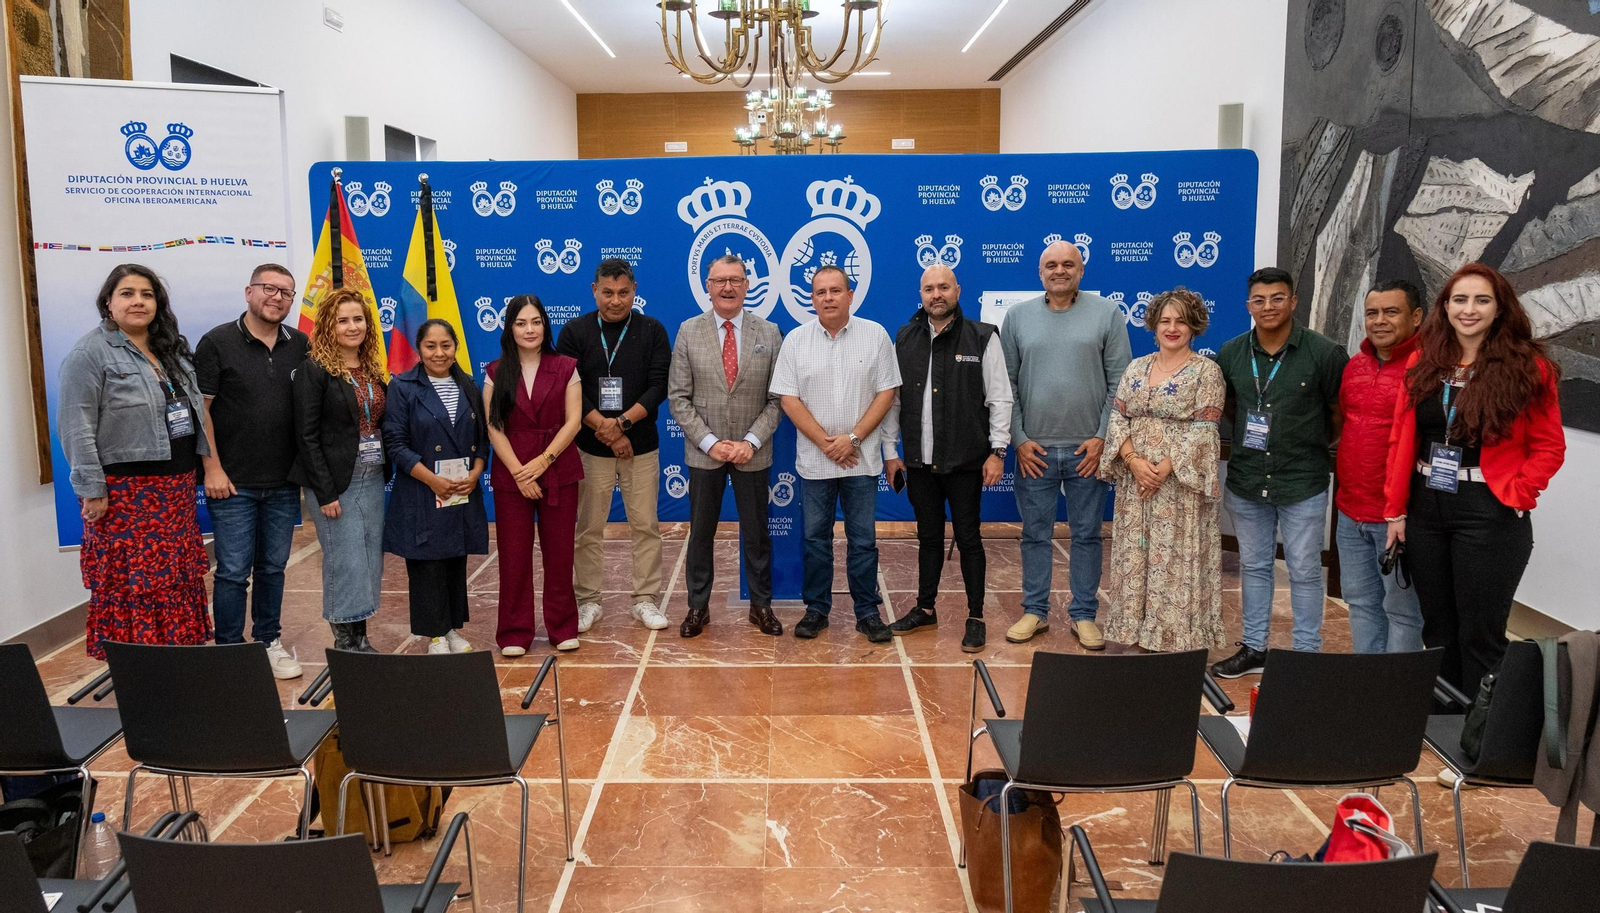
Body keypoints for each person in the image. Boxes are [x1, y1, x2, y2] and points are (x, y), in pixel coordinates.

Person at [1384, 262, 1565, 695]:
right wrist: (1396, 510)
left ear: (1500, 309)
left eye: (1482, 300)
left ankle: (1482, 733)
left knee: (1480, 633)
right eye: (1459, 299)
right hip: (1427, 508)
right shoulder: (1423, 363)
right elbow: (1399, 441)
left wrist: (1521, 492)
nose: (1469, 309)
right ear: (1444, 308)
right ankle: (1446, 722)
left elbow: (1549, 446)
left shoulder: (1528, 368)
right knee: (1439, 627)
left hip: (1489, 511)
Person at [58, 263, 212, 660]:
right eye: (127, 293)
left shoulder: (169, 349)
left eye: (147, 294)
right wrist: (92, 490)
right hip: (125, 495)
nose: (138, 301)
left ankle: (177, 659)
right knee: (135, 584)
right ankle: (140, 668)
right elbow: (76, 429)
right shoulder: (89, 353)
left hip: (175, 490)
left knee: (175, 579)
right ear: (108, 302)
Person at [1210, 267, 1347, 678]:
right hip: (1249, 478)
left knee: (1304, 570)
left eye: (1277, 298)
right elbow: (1230, 409)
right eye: (1259, 300)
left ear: (1293, 302)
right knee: (1254, 567)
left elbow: (1338, 414)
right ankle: (1254, 648)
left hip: (1301, 479)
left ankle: (1306, 654)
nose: (1268, 307)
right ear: (1248, 305)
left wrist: (1308, 444)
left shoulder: (1324, 353)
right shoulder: (1231, 353)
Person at [999, 238, 1131, 648]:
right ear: (1040, 273)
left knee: (1088, 534)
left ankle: (1084, 614)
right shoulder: (1017, 318)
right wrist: (1018, 439)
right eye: (1051, 265)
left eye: (1068, 264)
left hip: (1087, 451)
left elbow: (1120, 386)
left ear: (1081, 270)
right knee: (1035, 534)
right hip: (1033, 451)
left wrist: (1101, 439)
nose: (1060, 270)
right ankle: (1035, 611)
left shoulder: (1107, 314)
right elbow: (1007, 387)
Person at [882, 264, 1011, 653]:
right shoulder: (904, 338)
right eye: (928, 288)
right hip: (919, 462)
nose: (936, 294)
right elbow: (893, 401)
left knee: (970, 539)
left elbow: (1000, 397)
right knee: (928, 538)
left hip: (967, 461)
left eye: (943, 287)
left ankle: (975, 616)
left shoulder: (982, 337)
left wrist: (998, 451)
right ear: (920, 294)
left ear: (957, 289)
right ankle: (925, 608)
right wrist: (891, 453)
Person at [771, 264, 902, 643]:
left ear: (850, 294)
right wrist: (827, 443)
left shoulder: (875, 335)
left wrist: (854, 439)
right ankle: (817, 609)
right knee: (815, 538)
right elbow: (788, 399)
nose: (827, 298)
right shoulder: (796, 340)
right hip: (816, 461)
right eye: (820, 292)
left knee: (863, 539)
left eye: (835, 290)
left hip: (860, 459)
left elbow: (887, 393)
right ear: (811, 298)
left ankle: (867, 611)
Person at [193, 264, 309, 680]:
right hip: (232, 483)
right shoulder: (217, 343)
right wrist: (212, 468)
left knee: (274, 568)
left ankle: (268, 640)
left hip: (282, 482)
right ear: (248, 292)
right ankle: (229, 651)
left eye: (286, 292)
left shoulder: (301, 344)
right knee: (232, 571)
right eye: (268, 288)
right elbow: (201, 411)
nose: (277, 297)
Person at [1096, 288, 1226, 653]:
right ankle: (1137, 631)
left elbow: (1205, 429)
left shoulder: (1207, 371)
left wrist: (1164, 468)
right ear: (1153, 325)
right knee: (1136, 555)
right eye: (1166, 320)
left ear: (1194, 326)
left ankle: (1173, 636)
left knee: (1173, 559)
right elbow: (1118, 417)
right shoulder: (1137, 367)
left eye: (1181, 321)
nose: (1173, 328)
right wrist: (1136, 463)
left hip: (1178, 488)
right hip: (1136, 483)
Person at [667, 254, 785, 638]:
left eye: (736, 280)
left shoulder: (769, 332)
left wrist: (750, 441)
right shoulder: (688, 330)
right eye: (720, 281)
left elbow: (778, 399)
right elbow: (679, 398)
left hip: (754, 451)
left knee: (757, 533)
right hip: (705, 453)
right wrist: (710, 442)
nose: (728, 288)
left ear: (748, 284)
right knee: (701, 533)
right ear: (708, 285)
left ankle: (761, 606)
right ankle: (697, 607)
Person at [556, 258, 673, 632]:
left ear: (634, 290)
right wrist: (606, 430)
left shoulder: (652, 330)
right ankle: (588, 601)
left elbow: (659, 387)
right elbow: (569, 388)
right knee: (588, 527)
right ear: (594, 291)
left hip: (641, 445)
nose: (616, 301)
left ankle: (645, 599)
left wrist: (621, 425)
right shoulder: (574, 332)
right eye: (607, 293)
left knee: (645, 525)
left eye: (623, 293)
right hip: (590, 448)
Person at [382, 319, 488, 654]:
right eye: (431, 346)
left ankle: (453, 628)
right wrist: (433, 480)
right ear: (419, 348)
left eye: (446, 345)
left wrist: (476, 473)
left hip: (460, 489)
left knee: (455, 557)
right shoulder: (403, 386)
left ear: (456, 346)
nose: (439, 353)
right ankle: (436, 636)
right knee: (427, 563)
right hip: (423, 489)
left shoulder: (470, 385)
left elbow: (482, 441)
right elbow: (395, 444)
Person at [291, 288, 388, 653]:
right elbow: (307, 435)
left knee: (367, 559)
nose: (352, 327)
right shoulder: (314, 369)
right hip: (335, 483)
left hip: (372, 475)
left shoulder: (372, 369)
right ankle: (345, 643)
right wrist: (325, 491)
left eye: (358, 319)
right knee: (344, 561)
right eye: (342, 320)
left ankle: (361, 637)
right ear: (328, 325)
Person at [486, 295, 584, 654]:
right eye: (521, 323)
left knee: (560, 554)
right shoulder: (496, 371)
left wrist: (544, 461)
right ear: (510, 328)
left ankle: (562, 627)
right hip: (512, 474)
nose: (530, 330)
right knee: (513, 556)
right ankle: (514, 632)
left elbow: (574, 421)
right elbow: (494, 426)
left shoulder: (566, 366)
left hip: (558, 467)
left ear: (546, 324)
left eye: (536, 322)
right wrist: (519, 474)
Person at [1337, 279, 1426, 654]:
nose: (1379, 321)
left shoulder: (1427, 370)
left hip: (1396, 517)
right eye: (1372, 312)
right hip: (1349, 512)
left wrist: (1399, 511)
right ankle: (1367, 693)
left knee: (1402, 612)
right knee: (1359, 602)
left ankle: (1395, 702)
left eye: (1392, 312)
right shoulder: (1355, 365)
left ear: (1416, 317)